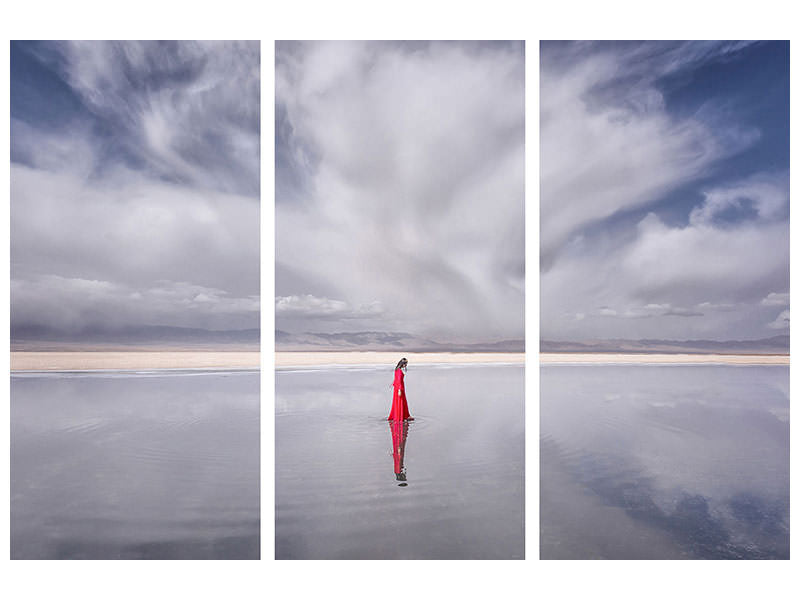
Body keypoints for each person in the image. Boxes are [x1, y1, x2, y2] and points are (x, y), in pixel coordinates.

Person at [387, 357, 413, 421]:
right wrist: (399, 390)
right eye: (405, 364)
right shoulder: (399, 371)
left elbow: (396, 379)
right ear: (402, 364)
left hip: (397, 387)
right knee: (400, 401)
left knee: (399, 401)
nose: (406, 365)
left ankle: (402, 415)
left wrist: (393, 384)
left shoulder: (397, 370)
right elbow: (398, 380)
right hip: (399, 388)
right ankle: (400, 416)